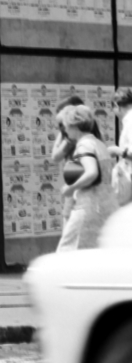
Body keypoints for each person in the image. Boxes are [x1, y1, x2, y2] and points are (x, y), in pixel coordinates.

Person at [58, 103, 115, 252]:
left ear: (74, 126)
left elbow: (92, 173)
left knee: (65, 252)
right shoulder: (99, 144)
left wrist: (71, 188)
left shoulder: (84, 146)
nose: (65, 130)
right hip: (106, 206)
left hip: (87, 207)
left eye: (66, 126)